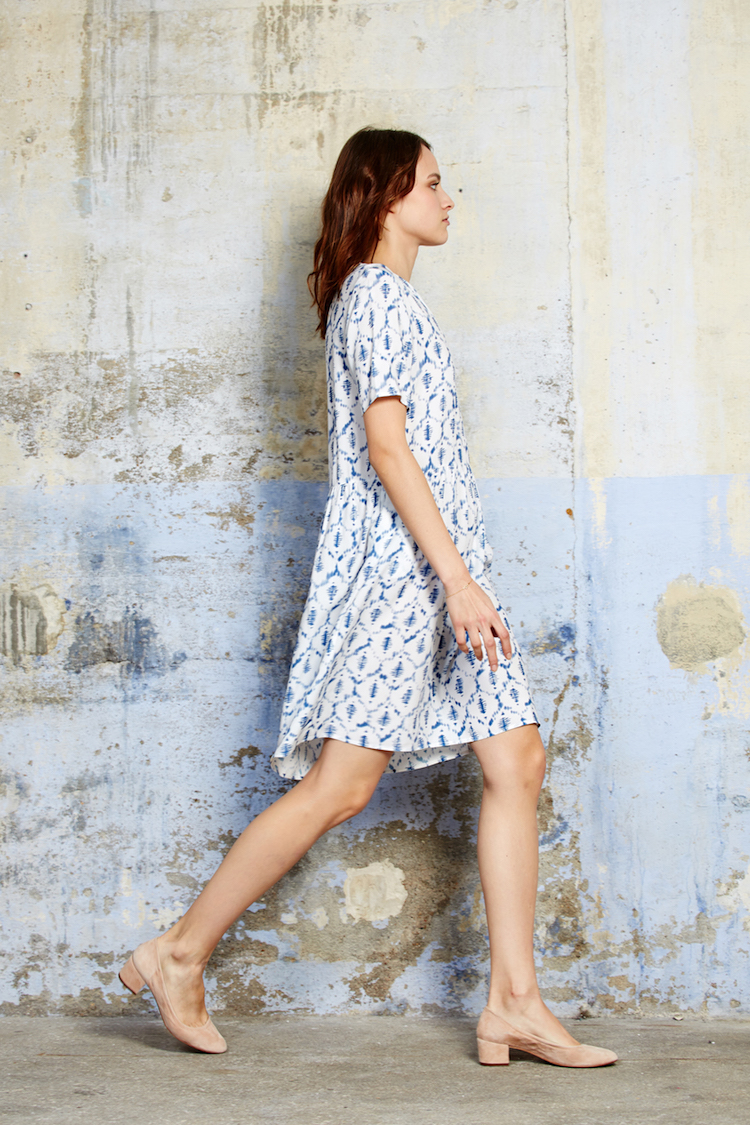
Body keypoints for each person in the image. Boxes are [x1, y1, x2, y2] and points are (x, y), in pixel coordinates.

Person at [119, 127, 616, 1069]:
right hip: (404, 580)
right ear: (387, 197)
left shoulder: (393, 300)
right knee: (342, 787)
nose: (448, 199)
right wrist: (456, 580)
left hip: (446, 575)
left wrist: (462, 576)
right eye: (433, 182)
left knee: (517, 758)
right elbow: (387, 448)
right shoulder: (376, 297)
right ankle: (177, 952)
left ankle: (514, 1003)